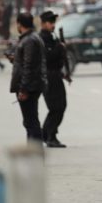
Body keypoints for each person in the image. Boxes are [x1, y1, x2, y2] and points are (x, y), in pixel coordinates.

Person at [10, 13, 47, 142]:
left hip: (30, 87)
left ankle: (35, 154)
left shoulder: (29, 40)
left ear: (19, 24)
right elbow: (28, 62)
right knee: (30, 121)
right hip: (32, 85)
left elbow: (29, 66)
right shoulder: (30, 38)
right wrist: (15, 59)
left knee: (31, 122)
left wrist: (24, 89)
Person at [39, 11, 71, 148]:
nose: (53, 25)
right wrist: (59, 48)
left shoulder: (52, 36)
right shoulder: (42, 39)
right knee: (56, 107)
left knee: (61, 106)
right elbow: (47, 56)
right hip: (48, 76)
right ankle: (49, 135)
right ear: (43, 23)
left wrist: (66, 73)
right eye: (50, 22)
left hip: (56, 75)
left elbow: (60, 57)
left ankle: (47, 134)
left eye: (53, 22)